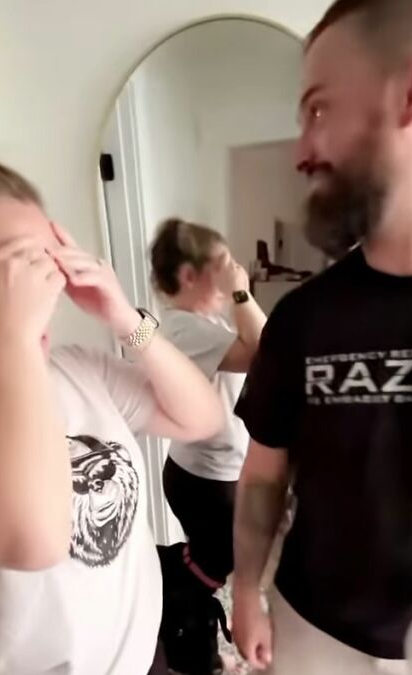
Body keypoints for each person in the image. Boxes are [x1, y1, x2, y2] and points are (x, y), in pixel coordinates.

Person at [230, 2, 412, 674]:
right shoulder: (300, 317)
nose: (301, 150)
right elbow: (265, 473)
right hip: (313, 634)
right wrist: (245, 588)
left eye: (318, 110)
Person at [0, 144, 225, 674]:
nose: (48, 280)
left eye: (50, 256)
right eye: (20, 263)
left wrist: (125, 317)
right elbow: (32, 541)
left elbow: (202, 418)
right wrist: (12, 340)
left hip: (143, 656)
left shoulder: (76, 368)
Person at [147, 218, 267, 674]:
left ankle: (179, 606)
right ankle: (172, 607)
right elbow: (265, 348)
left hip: (207, 471)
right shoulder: (184, 330)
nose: (232, 271)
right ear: (189, 276)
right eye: (222, 265)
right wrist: (241, 292)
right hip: (206, 477)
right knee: (215, 564)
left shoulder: (199, 323)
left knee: (212, 561)